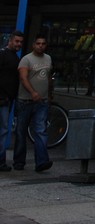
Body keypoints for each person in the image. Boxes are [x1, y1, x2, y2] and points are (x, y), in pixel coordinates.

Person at [13, 34, 53, 173]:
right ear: (33, 45)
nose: (40, 46)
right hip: (25, 101)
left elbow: (48, 77)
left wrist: (49, 94)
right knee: (21, 131)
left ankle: (41, 162)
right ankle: (19, 161)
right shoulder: (26, 59)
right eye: (38, 43)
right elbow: (23, 78)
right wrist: (33, 92)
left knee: (40, 131)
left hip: (42, 102)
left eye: (43, 44)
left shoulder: (48, 58)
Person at [0, 30, 23, 170]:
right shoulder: (3, 54)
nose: (19, 44)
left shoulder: (15, 57)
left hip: (7, 99)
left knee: (3, 131)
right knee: (3, 130)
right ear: (10, 40)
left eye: (21, 42)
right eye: (16, 41)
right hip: (3, 99)